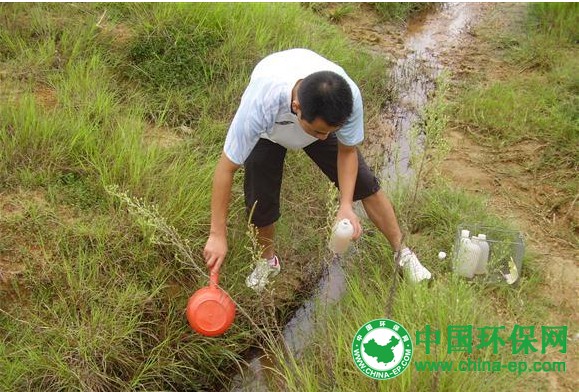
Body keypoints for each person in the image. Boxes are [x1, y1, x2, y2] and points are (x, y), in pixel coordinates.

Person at [203, 48, 431, 291]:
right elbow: (226, 169)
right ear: (296, 106)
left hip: (317, 115)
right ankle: (267, 261)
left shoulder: (347, 98)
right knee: (261, 201)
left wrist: (345, 206)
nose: (324, 139)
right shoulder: (261, 103)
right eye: (319, 132)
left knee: (365, 184)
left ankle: (402, 252)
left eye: (330, 132)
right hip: (268, 134)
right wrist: (217, 234)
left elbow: (347, 151)